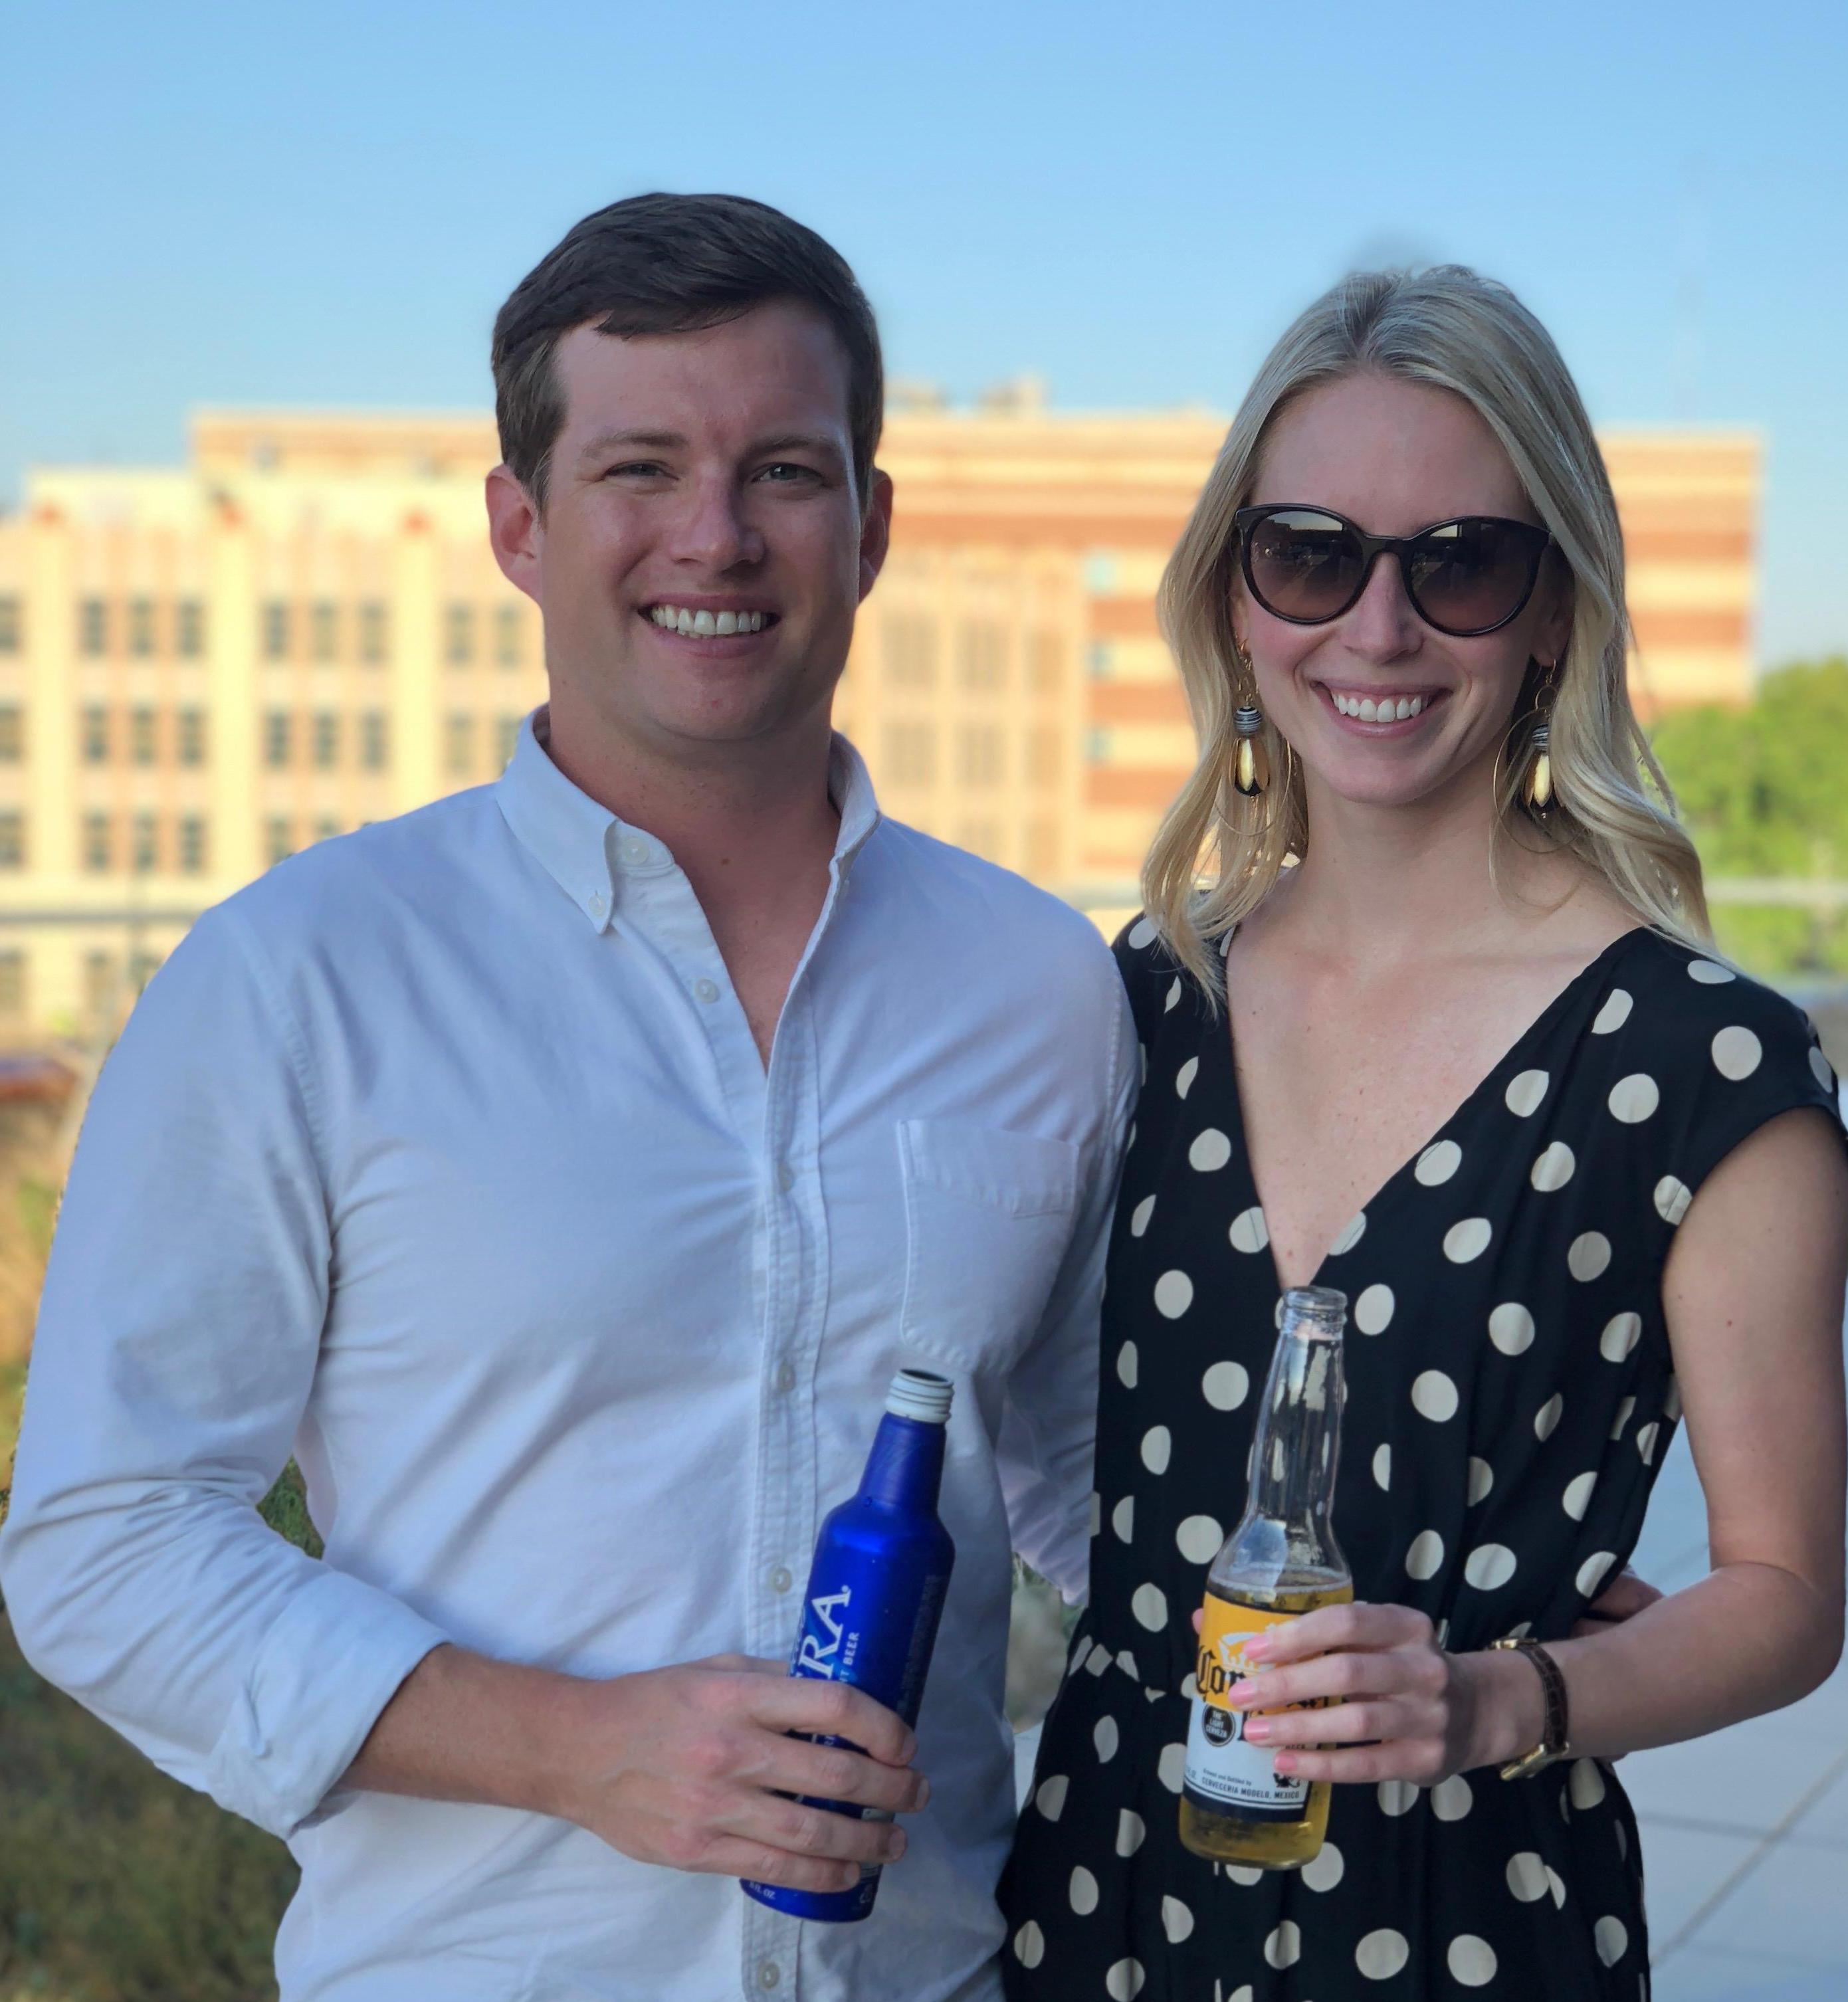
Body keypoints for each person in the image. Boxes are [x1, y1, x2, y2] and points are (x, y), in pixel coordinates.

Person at [0, 194, 1137, 2002]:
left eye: (783, 470)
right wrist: (571, 1748)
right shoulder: (301, 978)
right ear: (519, 526)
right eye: (639, 468)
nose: (716, 534)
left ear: (871, 524)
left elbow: (1094, 1483)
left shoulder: (1041, 983)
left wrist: (1484, 1630)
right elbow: (103, 1538)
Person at [1000, 266, 1848, 1999]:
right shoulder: (1139, 1002)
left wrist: (1498, 1698)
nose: (1378, 629)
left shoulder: (1704, 1065)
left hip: (1472, 1921)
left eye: (1460, 564)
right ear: (1236, 598)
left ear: (1555, 611)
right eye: (1310, 555)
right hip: (1104, 1896)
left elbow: (1783, 1596)